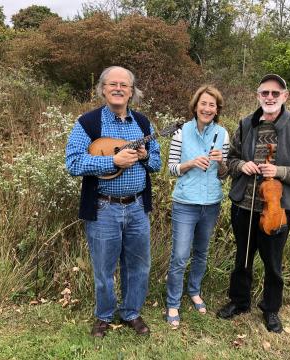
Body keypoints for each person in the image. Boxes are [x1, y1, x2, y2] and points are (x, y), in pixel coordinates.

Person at [216, 74, 290, 333]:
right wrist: (242, 165)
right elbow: (230, 160)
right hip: (244, 206)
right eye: (265, 93)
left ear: (285, 96)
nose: (270, 97)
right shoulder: (246, 124)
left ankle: (271, 310)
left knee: (273, 263)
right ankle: (239, 302)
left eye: (275, 93)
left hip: (276, 210)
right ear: (258, 95)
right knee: (243, 258)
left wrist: (279, 171)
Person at [65, 66, 161, 337]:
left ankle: (131, 313)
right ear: (103, 89)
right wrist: (112, 161)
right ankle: (104, 316)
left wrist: (143, 156)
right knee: (104, 267)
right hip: (103, 207)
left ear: (132, 92)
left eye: (124, 85)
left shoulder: (143, 124)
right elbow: (73, 163)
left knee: (139, 264)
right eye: (112, 84)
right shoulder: (89, 123)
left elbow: (157, 162)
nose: (118, 89)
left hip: (137, 207)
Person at [165, 85, 230, 327]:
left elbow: (224, 175)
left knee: (201, 252)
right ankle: (172, 303)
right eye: (203, 103)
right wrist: (190, 163)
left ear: (217, 109)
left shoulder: (222, 134)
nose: (207, 108)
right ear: (195, 106)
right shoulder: (181, 132)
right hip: (185, 203)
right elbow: (171, 168)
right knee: (180, 255)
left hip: (211, 203)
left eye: (212, 105)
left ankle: (194, 290)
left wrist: (221, 162)